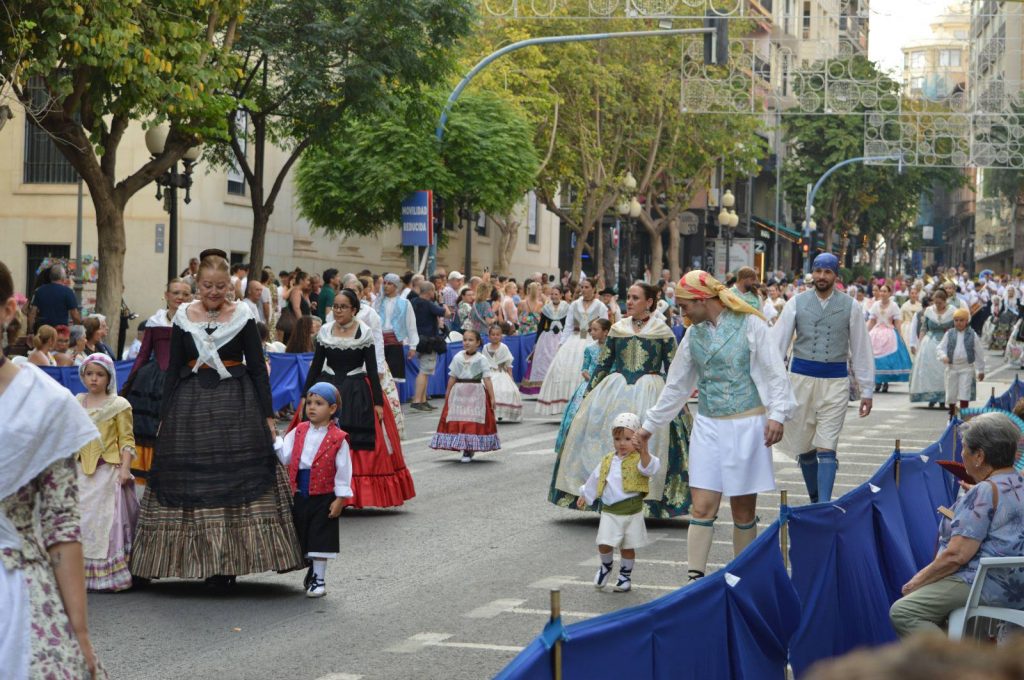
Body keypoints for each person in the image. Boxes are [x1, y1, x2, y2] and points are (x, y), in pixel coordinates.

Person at [130, 250, 304, 584]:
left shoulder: (243, 316)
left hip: (235, 404)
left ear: (230, 286)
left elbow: (258, 369)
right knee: (187, 475)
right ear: (198, 284)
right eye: (207, 285)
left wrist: (268, 417)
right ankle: (162, 561)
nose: (213, 291)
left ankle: (225, 565)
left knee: (233, 475)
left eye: (220, 286)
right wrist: (165, 416)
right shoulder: (184, 316)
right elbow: (173, 370)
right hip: (189, 405)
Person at [636, 271, 794, 582]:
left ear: (702, 299)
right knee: (702, 507)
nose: (682, 313)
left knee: (743, 511)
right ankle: (694, 581)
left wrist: (778, 414)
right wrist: (648, 426)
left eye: (684, 306)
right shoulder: (692, 335)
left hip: (746, 425)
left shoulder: (750, 324)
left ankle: (743, 579)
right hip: (708, 426)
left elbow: (774, 371)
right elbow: (677, 386)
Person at [0, 259, 102, 678]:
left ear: (8, 310)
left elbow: (61, 524)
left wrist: (79, 633)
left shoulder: (43, 403)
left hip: (15, 595)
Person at [551, 283, 690, 518]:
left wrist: (678, 400)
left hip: (651, 389)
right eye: (629, 297)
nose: (630, 302)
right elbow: (603, 364)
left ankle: (649, 500)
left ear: (649, 302)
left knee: (656, 437)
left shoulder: (662, 330)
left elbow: (674, 370)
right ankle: (603, 496)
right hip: (615, 388)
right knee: (599, 435)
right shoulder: (618, 328)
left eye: (636, 298)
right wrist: (588, 395)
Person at [889, 412, 1024, 637]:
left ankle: (954, 658)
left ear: (979, 456)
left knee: (904, 611)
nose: (961, 454)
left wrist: (915, 583)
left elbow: (956, 556)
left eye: (964, 449)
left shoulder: (985, 491)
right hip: (1014, 581)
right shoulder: (1018, 481)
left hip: (988, 583)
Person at [772, 253, 874, 504]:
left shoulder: (851, 306)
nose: (821, 276)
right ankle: (815, 499)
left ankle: (824, 506)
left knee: (827, 445)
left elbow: (861, 349)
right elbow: (777, 345)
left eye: (827, 272)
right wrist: (772, 385)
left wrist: (867, 390)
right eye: (818, 271)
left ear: (836, 276)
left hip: (835, 382)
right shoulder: (796, 303)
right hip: (800, 380)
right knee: (804, 447)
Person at [302, 288, 415, 507]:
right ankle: (321, 489)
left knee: (356, 440)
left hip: (356, 391)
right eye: (336, 306)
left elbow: (371, 370)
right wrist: (304, 396)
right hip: (328, 388)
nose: (338, 311)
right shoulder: (325, 331)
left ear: (354, 310)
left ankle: (353, 494)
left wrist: (378, 403)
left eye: (343, 307)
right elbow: (316, 366)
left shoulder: (364, 332)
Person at [274, 382, 353, 598]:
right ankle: (312, 567)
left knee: (321, 536)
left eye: (319, 403)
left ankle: (319, 579)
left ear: (332, 408)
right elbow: (285, 457)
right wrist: (275, 440)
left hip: (325, 496)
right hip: (300, 493)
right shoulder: (299, 431)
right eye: (309, 402)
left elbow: (343, 470)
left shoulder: (338, 438)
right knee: (303, 533)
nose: (312, 407)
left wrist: (340, 499)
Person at [74, 354, 139, 592]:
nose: (94, 379)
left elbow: (126, 439)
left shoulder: (118, 405)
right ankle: (79, 574)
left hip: (107, 471)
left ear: (109, 377)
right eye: (90, 374)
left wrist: (125, 468)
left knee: (105, 523)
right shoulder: (77, 402)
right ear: (83, 376)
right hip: (80, 471)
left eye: (100, 374)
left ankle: (107, 575)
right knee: (81, 521)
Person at [577, 413, 660, 593]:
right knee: (604, 542)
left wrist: (644, 450)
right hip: (610, 511)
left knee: (627, 546)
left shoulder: (640, 459)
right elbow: (596, 478)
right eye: (617, 439)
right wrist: (585, 494)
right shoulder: (608, 460)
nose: (622, 443)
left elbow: (650, 468)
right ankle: (606, 566)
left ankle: (625, 576)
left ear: (636, 439)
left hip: (632, 512)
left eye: (628, 439)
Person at [120, 278, 191, 485]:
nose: (180, 297)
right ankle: (152, 472)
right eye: (176, 293)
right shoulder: (155, 321)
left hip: (184, 379)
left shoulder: (196, 321)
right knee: (149, 428)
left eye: (185, 294)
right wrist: (130, 382)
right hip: (153, 381)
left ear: (191, 297)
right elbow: (143, 354)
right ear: (166, 296)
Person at [538, 278, 608, 416]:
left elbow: (605, 327)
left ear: (594, 289)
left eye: (587, 287)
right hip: (574, 340)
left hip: (592, 340)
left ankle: (587, 407)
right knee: (565, 370)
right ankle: (568, 407)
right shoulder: (574, 305)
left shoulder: (600, 306)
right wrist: (561, 344)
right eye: (582, 287)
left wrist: (604, 345)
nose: (584, 289)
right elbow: (568, 327)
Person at [430, 329, 501, 463]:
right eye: (465, 340)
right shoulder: (458, 357)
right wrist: (448, 393)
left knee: (471, 422)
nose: (467, 343)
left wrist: (492, 397)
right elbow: (452, 376)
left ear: (478, 343)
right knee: (460, 421)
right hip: (460, 393)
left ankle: (469, 449)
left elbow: (487, 379)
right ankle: (465, 447)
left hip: (476, 393)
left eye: (471, 340)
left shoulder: (481, 359)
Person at [554, 318, 611, 455]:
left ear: (606, 332)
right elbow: (584, 369)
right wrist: (591, 379)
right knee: (576, 413)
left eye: (595, 330)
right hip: (588, 385)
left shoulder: (611, 349)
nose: (592, 332)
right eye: (591, 329)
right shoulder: (589, 349)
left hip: (607, 384)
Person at [910, 289, 956, 407]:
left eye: (940, 303)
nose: (937, 305)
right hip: (930, 343)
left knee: (944, 371)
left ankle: (943, 398)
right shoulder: (929, 311)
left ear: (945, 301)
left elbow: (956, 328)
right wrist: (920, 343)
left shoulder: (952, 311)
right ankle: (931, 396)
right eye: (935, 303)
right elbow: (924, 328)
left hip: (946, 343)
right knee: (929, 371)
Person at [520, 286, 569, 395]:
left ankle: (557, 388)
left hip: (561, 338)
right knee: (544, 361)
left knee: (559, 361)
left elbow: (568, 325)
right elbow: (541, 326)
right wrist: (536, 342)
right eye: (552, 294)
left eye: (556, 294)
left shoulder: (566, 307)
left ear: (561, 295)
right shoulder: (546, 308)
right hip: (547, 338)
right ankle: (542, 388)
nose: (554, 296)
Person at [374, 273, 419, 384]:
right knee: (378, 375)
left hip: (395, 342)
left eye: (389, 284)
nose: (386, 286)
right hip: (379, 342)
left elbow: (411, 325)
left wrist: (413, 346)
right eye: (384, 283)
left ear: (396, 286)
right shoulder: (378, 302)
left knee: (394, 378)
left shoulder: (405, 303)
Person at [867, 283, 912, 392]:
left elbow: (897, 322)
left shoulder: (894, 305)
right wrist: (865, 333)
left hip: (889, 332)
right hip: (876, 332)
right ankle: (877, 381)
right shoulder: (875, 305)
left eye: (885, 291)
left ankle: (885, 381)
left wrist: (900, 335)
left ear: (889, 293)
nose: (882, 293)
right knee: (874, 357)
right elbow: (872, 321)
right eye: (881, 291)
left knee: (888, 359)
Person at [938, 308, 985, 410]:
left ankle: (964, 414)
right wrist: (943, 356)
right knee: (951, 394)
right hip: (952, 367)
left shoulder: (972, 334)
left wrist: (980, 370)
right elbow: (940, 348)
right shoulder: (949, 333)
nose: (958, 323)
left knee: (965, 392)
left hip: (966, 368)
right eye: (956, 320)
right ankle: (952, 414)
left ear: (966, 321)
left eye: (961, 320)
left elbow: (979, 353)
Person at [483, 324, 523, 423]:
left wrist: (511, 377)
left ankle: (501, 414)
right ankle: (489, 414)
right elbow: (483, 362)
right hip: (489, 374)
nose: (495, 336)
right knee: (486, 391)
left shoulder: (504, 347)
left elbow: (508, 364)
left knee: (504, 391)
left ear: (501, 336)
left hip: (500, 373)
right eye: (493, 334)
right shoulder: (485, 348)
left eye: (497, 334)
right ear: (489, 336)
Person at [27, 264, 82, 332]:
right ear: (63, 277)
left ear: (50, 276)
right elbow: (75, 315)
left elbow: (32, 313)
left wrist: (30, 330)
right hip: (61, 331)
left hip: (43, 330)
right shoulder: (68, 292)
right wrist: (81, 325)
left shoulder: (39, 291)